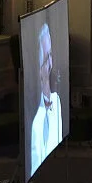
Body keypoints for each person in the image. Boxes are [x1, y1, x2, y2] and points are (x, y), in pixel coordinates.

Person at [28, 23, 63, 170]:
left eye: (50, 56)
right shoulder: (34, 121)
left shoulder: (56, 101)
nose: (49, 64)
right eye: (45, 58)